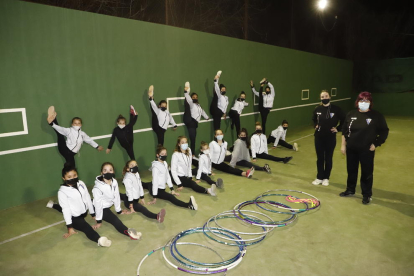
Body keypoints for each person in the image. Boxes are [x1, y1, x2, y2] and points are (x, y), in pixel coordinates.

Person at [340, 92, 389, 204]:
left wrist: (376, 144)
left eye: (367, 100)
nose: (364, 103)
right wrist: (343, 145)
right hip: (351, 148)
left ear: (370, 103)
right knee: (351, 171)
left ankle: (366, 194)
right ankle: (350, 190)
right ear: (357, 102)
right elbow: (344, 130)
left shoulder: (376, 116)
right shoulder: (351, 114)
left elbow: (384, 131)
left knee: (366, 173)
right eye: (362, 100)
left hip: (366, 150)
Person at [47, 163, 111, 247]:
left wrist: (92, 214)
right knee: (86, 227)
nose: (72, 178)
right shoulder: (62, 192)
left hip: (84, 211)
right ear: (64, 178)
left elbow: (87, 198)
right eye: (69, 177)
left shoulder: (80, 183)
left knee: (97, 203)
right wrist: (70, 228)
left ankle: (54, 205)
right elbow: (66, 210)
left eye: (74, 175)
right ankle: (99, 240)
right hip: (75, 217)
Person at [92, 162, 142, 240]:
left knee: (116, 215)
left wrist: (119, 210)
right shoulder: (97, 188)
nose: (108, 172)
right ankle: (130, 233)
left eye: (110, 170)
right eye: (105, 170)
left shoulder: (114, 182)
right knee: (115, 220)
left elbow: (116, 196)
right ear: (101, 173)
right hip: (100, 208)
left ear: (113, 172)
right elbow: (98, 204)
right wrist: (99, 220)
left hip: (107, 205)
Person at [311, 90, 345, 186]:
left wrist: (338, 128)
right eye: (322, 97)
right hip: (318, 137)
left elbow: (344, 119)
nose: (324, 98)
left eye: (326, 96)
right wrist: (315, 125)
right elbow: (313, 119)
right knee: (320, 158)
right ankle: (319, 177)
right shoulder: (317, 109)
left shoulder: (336, 109)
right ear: (320, 98)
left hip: (330, 138)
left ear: (329, 97)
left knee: (328, 158)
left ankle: (326, 178)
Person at [183, 81, 209, 156]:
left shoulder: (198, 105)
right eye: (193, 97)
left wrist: (206, 117)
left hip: (195, 124)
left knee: (193, 139)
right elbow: (188, 98)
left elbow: (202, 111)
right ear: (191, 98)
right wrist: (186, 92)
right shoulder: (192, 105)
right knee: (192, 139)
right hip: (191, 122)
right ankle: (192, 154)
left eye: (196, 97)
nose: (195, 98)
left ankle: (191, 154)